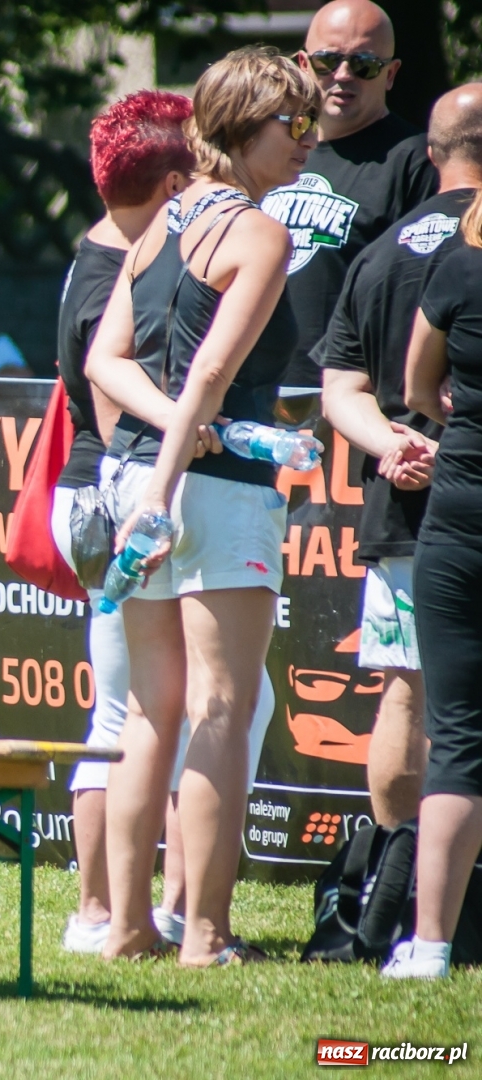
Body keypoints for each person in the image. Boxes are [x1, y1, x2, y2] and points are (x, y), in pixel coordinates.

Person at [86, 45, 319, 965]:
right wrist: (181, 460)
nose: (308, 138)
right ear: (241, 125)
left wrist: (167, 448)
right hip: (202, 494)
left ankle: (126, 928)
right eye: (293, 122)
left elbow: (109, 366)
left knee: (150, 710)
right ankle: (207, 935)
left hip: (139, 476)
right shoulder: (258, 233)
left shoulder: (160, 222)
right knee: (222, 705)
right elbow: (212, 374)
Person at [51, 91, 194, 952]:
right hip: (113, 499)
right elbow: (110, 412)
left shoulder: (100, 247)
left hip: (95, 499)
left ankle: (134, 909)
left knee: (132, 708)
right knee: (128, 712)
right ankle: (104, 912)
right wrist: (150, 497)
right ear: (174, 183)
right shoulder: (121, 268)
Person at [317, 85, 482, 830]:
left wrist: (395, 443)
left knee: (407, 693)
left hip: (403, 504)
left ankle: (398, 870)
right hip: (467, 489)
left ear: (431, 152)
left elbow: (340, 390)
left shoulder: (379, 251)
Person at [383, 177, 482, 979]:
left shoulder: (461, 264)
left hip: (460, 512)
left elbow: (416, 387)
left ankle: (431, 945)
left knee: (457, 737)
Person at [260, 0, 437, 387]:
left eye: (364, 64)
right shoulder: (270, 149)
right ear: (303, 65)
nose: (343, 75)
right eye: (327, 60)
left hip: (350, 391)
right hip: (255, 386)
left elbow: (424, 293)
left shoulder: (417, 161)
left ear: (390, 74)